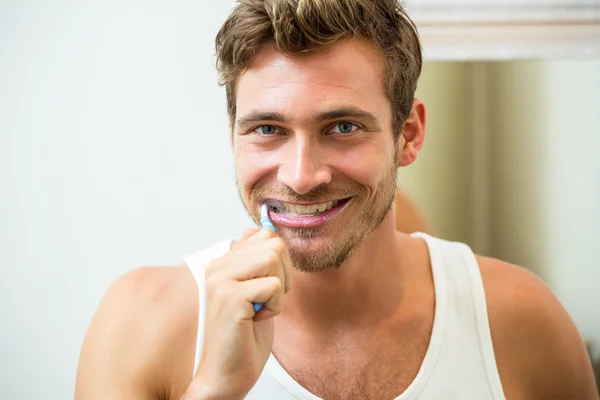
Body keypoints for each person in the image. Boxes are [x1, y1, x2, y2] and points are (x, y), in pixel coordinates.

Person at [75, 1, 599, 399]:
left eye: (342, 127)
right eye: (267, 129)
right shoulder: (140, 323)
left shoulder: (523, 321)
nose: (301, 178)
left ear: (409, 135)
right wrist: (213, 385)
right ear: (233, 136)